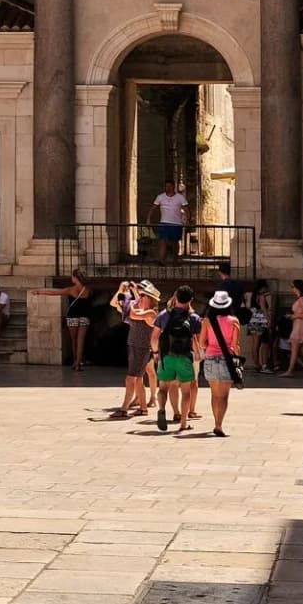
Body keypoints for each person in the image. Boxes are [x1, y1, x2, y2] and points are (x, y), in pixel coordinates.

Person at [152, 286, 200, 432]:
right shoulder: (194, 318)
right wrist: (198, 354)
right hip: (184, 358)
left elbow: (154, 338)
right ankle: (184, 423)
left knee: (163, 388)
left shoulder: (163, 315)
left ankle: (161, 409)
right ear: (191, 300)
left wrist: (155, 353)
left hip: (166, 356)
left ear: (176, 297)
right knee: (186, 391)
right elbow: (195, 340)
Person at [112, 280, 159, 419]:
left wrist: (129, 298)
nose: (140, 297)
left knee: (130, 378)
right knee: (138, 379)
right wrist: (124, 292)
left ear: (150, 299)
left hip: (141, 349)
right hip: (133, 346)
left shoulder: (151, 313)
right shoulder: (141, 309)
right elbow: (121, 308)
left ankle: (124, 408)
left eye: (143, 295)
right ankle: (143, 408)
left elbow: (132, 314)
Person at [201, 289, 245, 437]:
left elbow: (202, 343)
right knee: (224, 396)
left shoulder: (207, 321)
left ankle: (215, 422)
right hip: (227, 360)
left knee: (214, 394)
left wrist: (211, 346)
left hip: (211, 358)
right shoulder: (234, 321)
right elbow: (235, 346)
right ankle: (219, 424)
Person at [34, 272, 87, 371]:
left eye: (72, 277)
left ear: (75, 278)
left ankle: (75, 361)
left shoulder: (71, 289)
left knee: (73, 341)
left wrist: (39, 292)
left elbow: (55, 293)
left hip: (72, 317)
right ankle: (78, 364)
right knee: (81, 342)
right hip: (84, 317)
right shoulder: (88, 290)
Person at [148, 182, 189, 262]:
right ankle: (161, 260)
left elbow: (186, 209)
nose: (168, 188)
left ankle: (175, 260)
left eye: (170, 186)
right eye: (166, 186)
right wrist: (148, 218)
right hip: (164, 223)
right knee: (163, 241)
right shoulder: (160, 197)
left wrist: (187, 220)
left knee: (175, 242)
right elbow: (153, 208)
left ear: (173, 187)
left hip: (176, 224)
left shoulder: (180, 197)